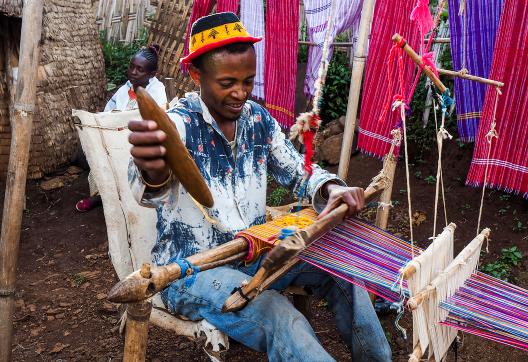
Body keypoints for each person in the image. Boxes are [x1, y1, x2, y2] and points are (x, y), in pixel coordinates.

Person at [127, 13, 391, 362]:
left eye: (248, 81)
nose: (240, 93)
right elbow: (149, 190)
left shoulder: (256, 119)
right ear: (196, 75)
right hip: (191, 273)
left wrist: (331, 190)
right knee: (280, 316)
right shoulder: (178, 126)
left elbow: (299, 172)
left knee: (345, 272)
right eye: (227, 83)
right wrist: (153, 169)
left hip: (254, 253)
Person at [76, 44, 168, 212]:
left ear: (152, 74)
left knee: (132, 170)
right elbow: (109, 111)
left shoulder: (157, 91)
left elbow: (156, 119)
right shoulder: (126, 88)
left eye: (139, 69)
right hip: (118, 138)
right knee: (99, 158)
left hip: (141, 142)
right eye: (131, 66)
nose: (133, 72)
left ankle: (131, 201)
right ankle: (101, 196)